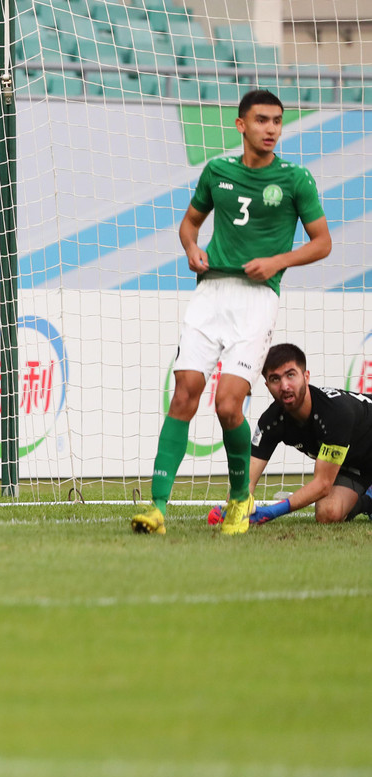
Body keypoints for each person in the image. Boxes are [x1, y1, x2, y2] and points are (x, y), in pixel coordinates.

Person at [132, 89, 331, 536]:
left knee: (227, 405)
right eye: (262, 121)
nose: (272, 130)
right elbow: (189, 224)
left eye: (278, 121)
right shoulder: (217, 171)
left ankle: (241, 497)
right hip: (211, 292)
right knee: (184, 393)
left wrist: (278, 262)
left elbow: (323, 243)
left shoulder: (296, 179)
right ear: (241, 125)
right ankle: (156, 508)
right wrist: (190, 248)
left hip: (257, 299)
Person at [208, 344, 372, 526]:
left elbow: (323, 484)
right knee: (328, 514)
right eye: (275, 379)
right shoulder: (271, 422)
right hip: (355, 464)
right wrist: (234, 507)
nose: (284, 386)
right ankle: (369, 501)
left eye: (290, 375)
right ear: (267, 385)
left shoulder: (336, 413)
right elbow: (247, 480)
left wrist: (269, 512)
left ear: (306, 376)